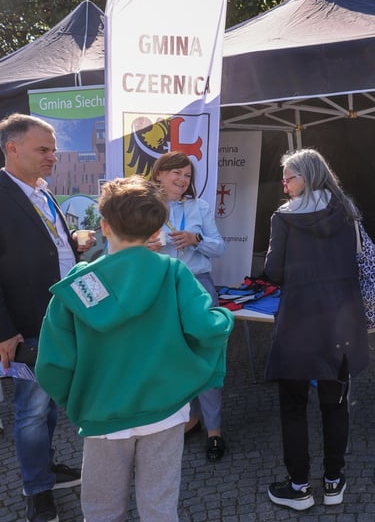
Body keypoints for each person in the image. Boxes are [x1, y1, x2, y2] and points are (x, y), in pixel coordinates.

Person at [34, 175, 234, 521]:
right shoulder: (173, 272)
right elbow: (206, 328)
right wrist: (225, 317)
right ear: (156, 231)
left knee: (101, 510)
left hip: (102, 413)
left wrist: (80, 399)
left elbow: (51, 363)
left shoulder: (79, 284)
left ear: (105, 226)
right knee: (159, 507)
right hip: (165, 410)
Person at [263, 148, 369, 511]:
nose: (284, 186)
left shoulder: (284, 217)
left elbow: (273, 271)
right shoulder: (347, 211)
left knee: (293, 406)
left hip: (298, 322)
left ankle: (299, 487)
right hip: (340, 321)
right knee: (335, 404)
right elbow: (359, 259)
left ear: (306, 177)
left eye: (288, 178)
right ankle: (334, 481)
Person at [0, 113, 94, 522]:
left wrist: (72, 242)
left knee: (50, 402)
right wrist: (4, 331)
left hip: (59, 319)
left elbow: (42, 245)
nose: (52, 157)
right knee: (33, 411)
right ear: (12, 148)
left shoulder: (42, 190)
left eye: (54, 150)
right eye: (43, 149)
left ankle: (47, 468)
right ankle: (37, 491)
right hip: (27, 325)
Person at [148, 151, 228, 461]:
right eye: (176, 173)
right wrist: (158, 242)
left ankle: (214, 430)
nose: (183, 180)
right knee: (171, 359)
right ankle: (186, 419)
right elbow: (129, 246)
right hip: (162, 288)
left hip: (198, 287)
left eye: (187, 175)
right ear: (159, 174)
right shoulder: (146, 206)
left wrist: (196, 239)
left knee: (206, 356)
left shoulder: (199, 207)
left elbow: (219, 247)